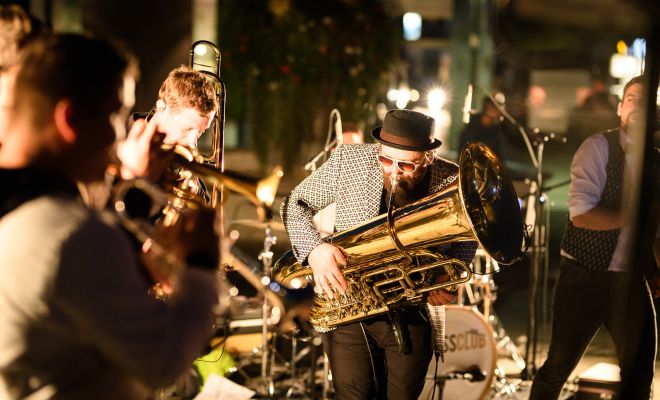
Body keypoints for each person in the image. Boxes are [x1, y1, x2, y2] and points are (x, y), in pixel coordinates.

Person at [0, 33, 222, 399]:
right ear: (70, 119)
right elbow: (163, 363)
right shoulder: (72, 235)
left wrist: (135, 188)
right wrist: (202, 264)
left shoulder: (29, 209)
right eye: (118, 114)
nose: (124, 133)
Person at [281, 109, 477, 399]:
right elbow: (294, 206)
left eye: (405, 166)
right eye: (385, 159)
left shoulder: (452, 180)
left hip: (413, 309)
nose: (393, 171)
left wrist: (449, 274)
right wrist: (315, 250)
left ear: (427, 158)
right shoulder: (348, 161)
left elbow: (467, 235)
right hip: (348, 304)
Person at [530, 75, 657, 399]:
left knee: (640, 374)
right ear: (619, 108)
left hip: (632, 280)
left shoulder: (656, 159)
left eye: (646, 101)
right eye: (632, 99)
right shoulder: (598, 147)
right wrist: (633, 215)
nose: (638, 107)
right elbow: (582, 215)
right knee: (557, 367)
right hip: (584, 279)